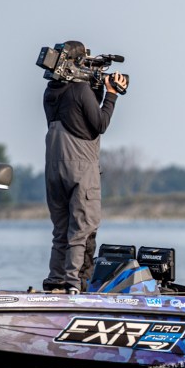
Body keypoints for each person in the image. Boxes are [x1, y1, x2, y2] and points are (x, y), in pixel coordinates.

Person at [42, 40, 128, 293]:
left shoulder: (51, 92)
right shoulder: (80, 90)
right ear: (76, 63)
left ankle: (56, 281)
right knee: (83, 229)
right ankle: (74, 284)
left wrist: (97, 87)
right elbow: (99, 124)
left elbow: (81, 114)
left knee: (61, 229)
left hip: (54, 167)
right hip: (81, 167)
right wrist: (111, 94)